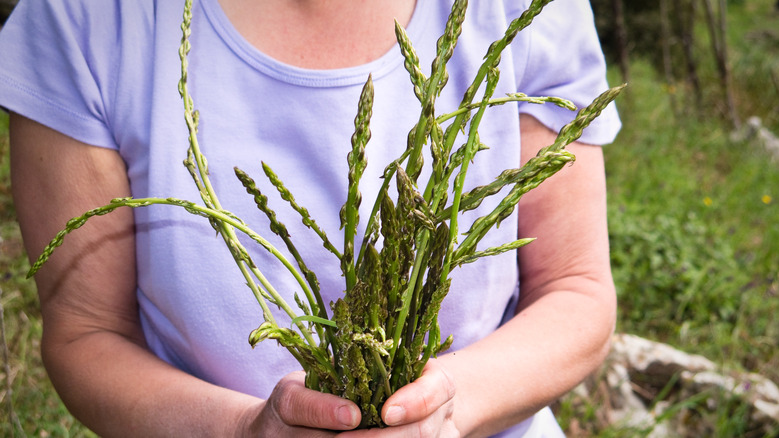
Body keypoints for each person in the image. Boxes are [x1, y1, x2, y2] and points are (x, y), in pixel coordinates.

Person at [0, 0, 620, 436]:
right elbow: (87, 331)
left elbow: (577, 289)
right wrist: (246, 432)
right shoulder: (81, 17)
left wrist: (446, 411)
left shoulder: (531, 10)